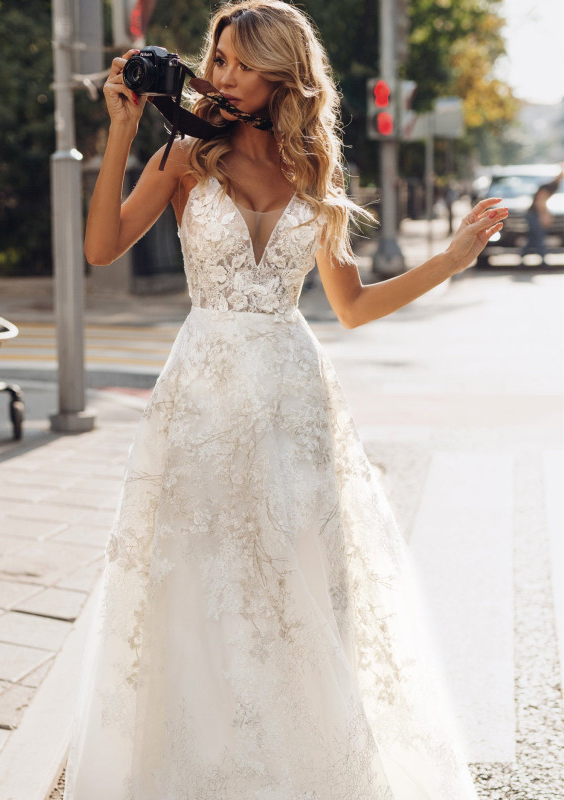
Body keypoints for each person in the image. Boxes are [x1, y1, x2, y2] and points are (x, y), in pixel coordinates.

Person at [64, 2, 508, 798]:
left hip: (295, 400)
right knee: (197, 572)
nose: (219, 74)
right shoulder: (184, 155)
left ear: (281, 74)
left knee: (300, 576)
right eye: (217, 59)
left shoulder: (314, 172)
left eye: (236, 62)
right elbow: (100, 250)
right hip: (202, 396)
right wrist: (123, 131)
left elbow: (351, 307)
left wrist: (450, 257)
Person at [521, 166, 563, 264]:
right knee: (539, 236)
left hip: (533, 214)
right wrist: (544, 216)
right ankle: (543, 260)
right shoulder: (551, 185)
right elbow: (540, 201)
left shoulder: (555, 185)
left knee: (532, 238)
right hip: (534, 214)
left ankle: (522, 257)